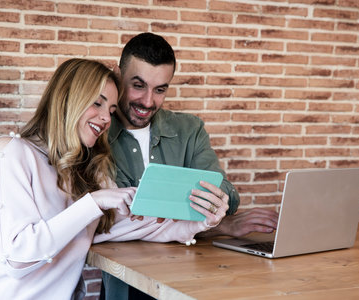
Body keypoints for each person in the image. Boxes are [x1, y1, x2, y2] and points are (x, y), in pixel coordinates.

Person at [0, 58, 228, 300]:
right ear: (66, 98)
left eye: (111, 110)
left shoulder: (87, 171)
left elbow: (132, 227)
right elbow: (18, 258)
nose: (106, 118)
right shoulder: (10, 153)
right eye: (97, 103)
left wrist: (201, 219)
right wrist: (92, 203)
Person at [101, 32, 279, 299]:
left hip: (190, 278)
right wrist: (222, 225)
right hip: (128, 285)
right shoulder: (97, 132)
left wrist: (217, 209)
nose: (148, 101)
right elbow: (113, 222)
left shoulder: (190, 129)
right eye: (138, 85)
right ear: (117, 74)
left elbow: (227, 194)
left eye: (160, 89)